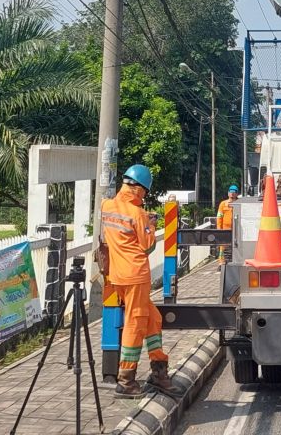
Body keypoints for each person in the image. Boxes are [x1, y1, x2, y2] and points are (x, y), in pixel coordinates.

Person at [100, 164, 182, 398]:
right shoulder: (138, 214)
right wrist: (152, 225)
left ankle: (158, 371)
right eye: (145, 191)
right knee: (135, 324)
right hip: (136, 274)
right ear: (139, 189)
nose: (145, 196)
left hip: (118, 275)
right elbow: (146, 246)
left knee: (153, 319)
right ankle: (126, 380)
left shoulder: (107, 206)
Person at [216, 185, 238, 264]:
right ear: (228, 193)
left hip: (237, 230)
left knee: (236, 246)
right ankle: (221, 263)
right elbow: (219, 217)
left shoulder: (239, 203)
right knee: (223, 246)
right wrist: (219, 229)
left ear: (237, 194)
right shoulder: (223, 204)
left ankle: (235, 261)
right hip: (225, 229)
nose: (232, 194)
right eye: (231, 192)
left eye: (234, 192)